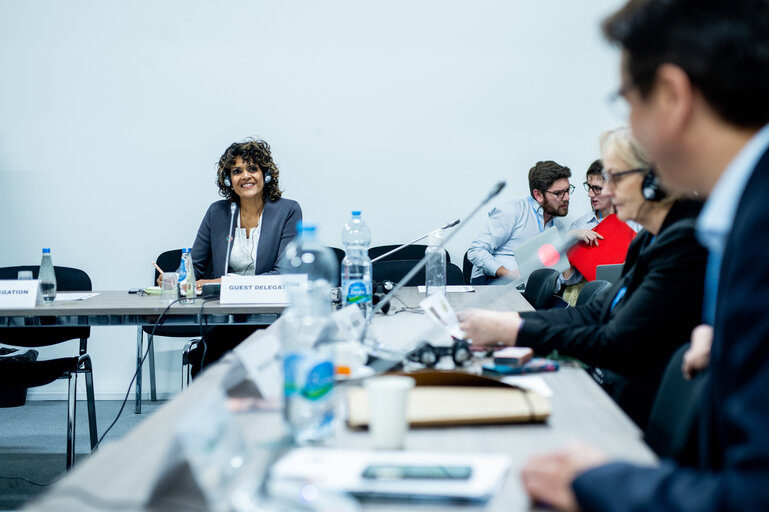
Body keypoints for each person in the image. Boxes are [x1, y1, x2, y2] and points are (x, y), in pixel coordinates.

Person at [517, 1, 769, 510]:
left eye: (627, 100)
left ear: (673, 96)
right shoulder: (742, 214)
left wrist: (595, 481)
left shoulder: (756, 229)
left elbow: (754, 493)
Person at [458, 127, 707, 429]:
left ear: (654, 179)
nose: (606, 193)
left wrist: (515, 332)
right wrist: (514, 323)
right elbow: (593, 313)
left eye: (615, 178)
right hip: (613, 392)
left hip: (631, 414)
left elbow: (613, 343)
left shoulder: (683, 244)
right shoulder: (647, 242)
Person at [190, 138, 302, 374]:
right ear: (228, 179)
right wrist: (178, 277)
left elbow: (282, 275)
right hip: (227, 317)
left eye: (253, 168)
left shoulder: (288, 211)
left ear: (266, 174)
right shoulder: (217, 212)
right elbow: (195, 269)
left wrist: (223, 282)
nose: (245, 176)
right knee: (207, 360)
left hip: (271, 318)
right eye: (237, 171)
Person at [467, 160, 573, 285]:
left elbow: (560, 273)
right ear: (538, 195)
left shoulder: (557, 227)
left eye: (567, 190)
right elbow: (476, 251)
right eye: (559, 193)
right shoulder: (513, 211)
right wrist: (508, 274)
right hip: (494, 282)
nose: (567, 197)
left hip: (531, 288)